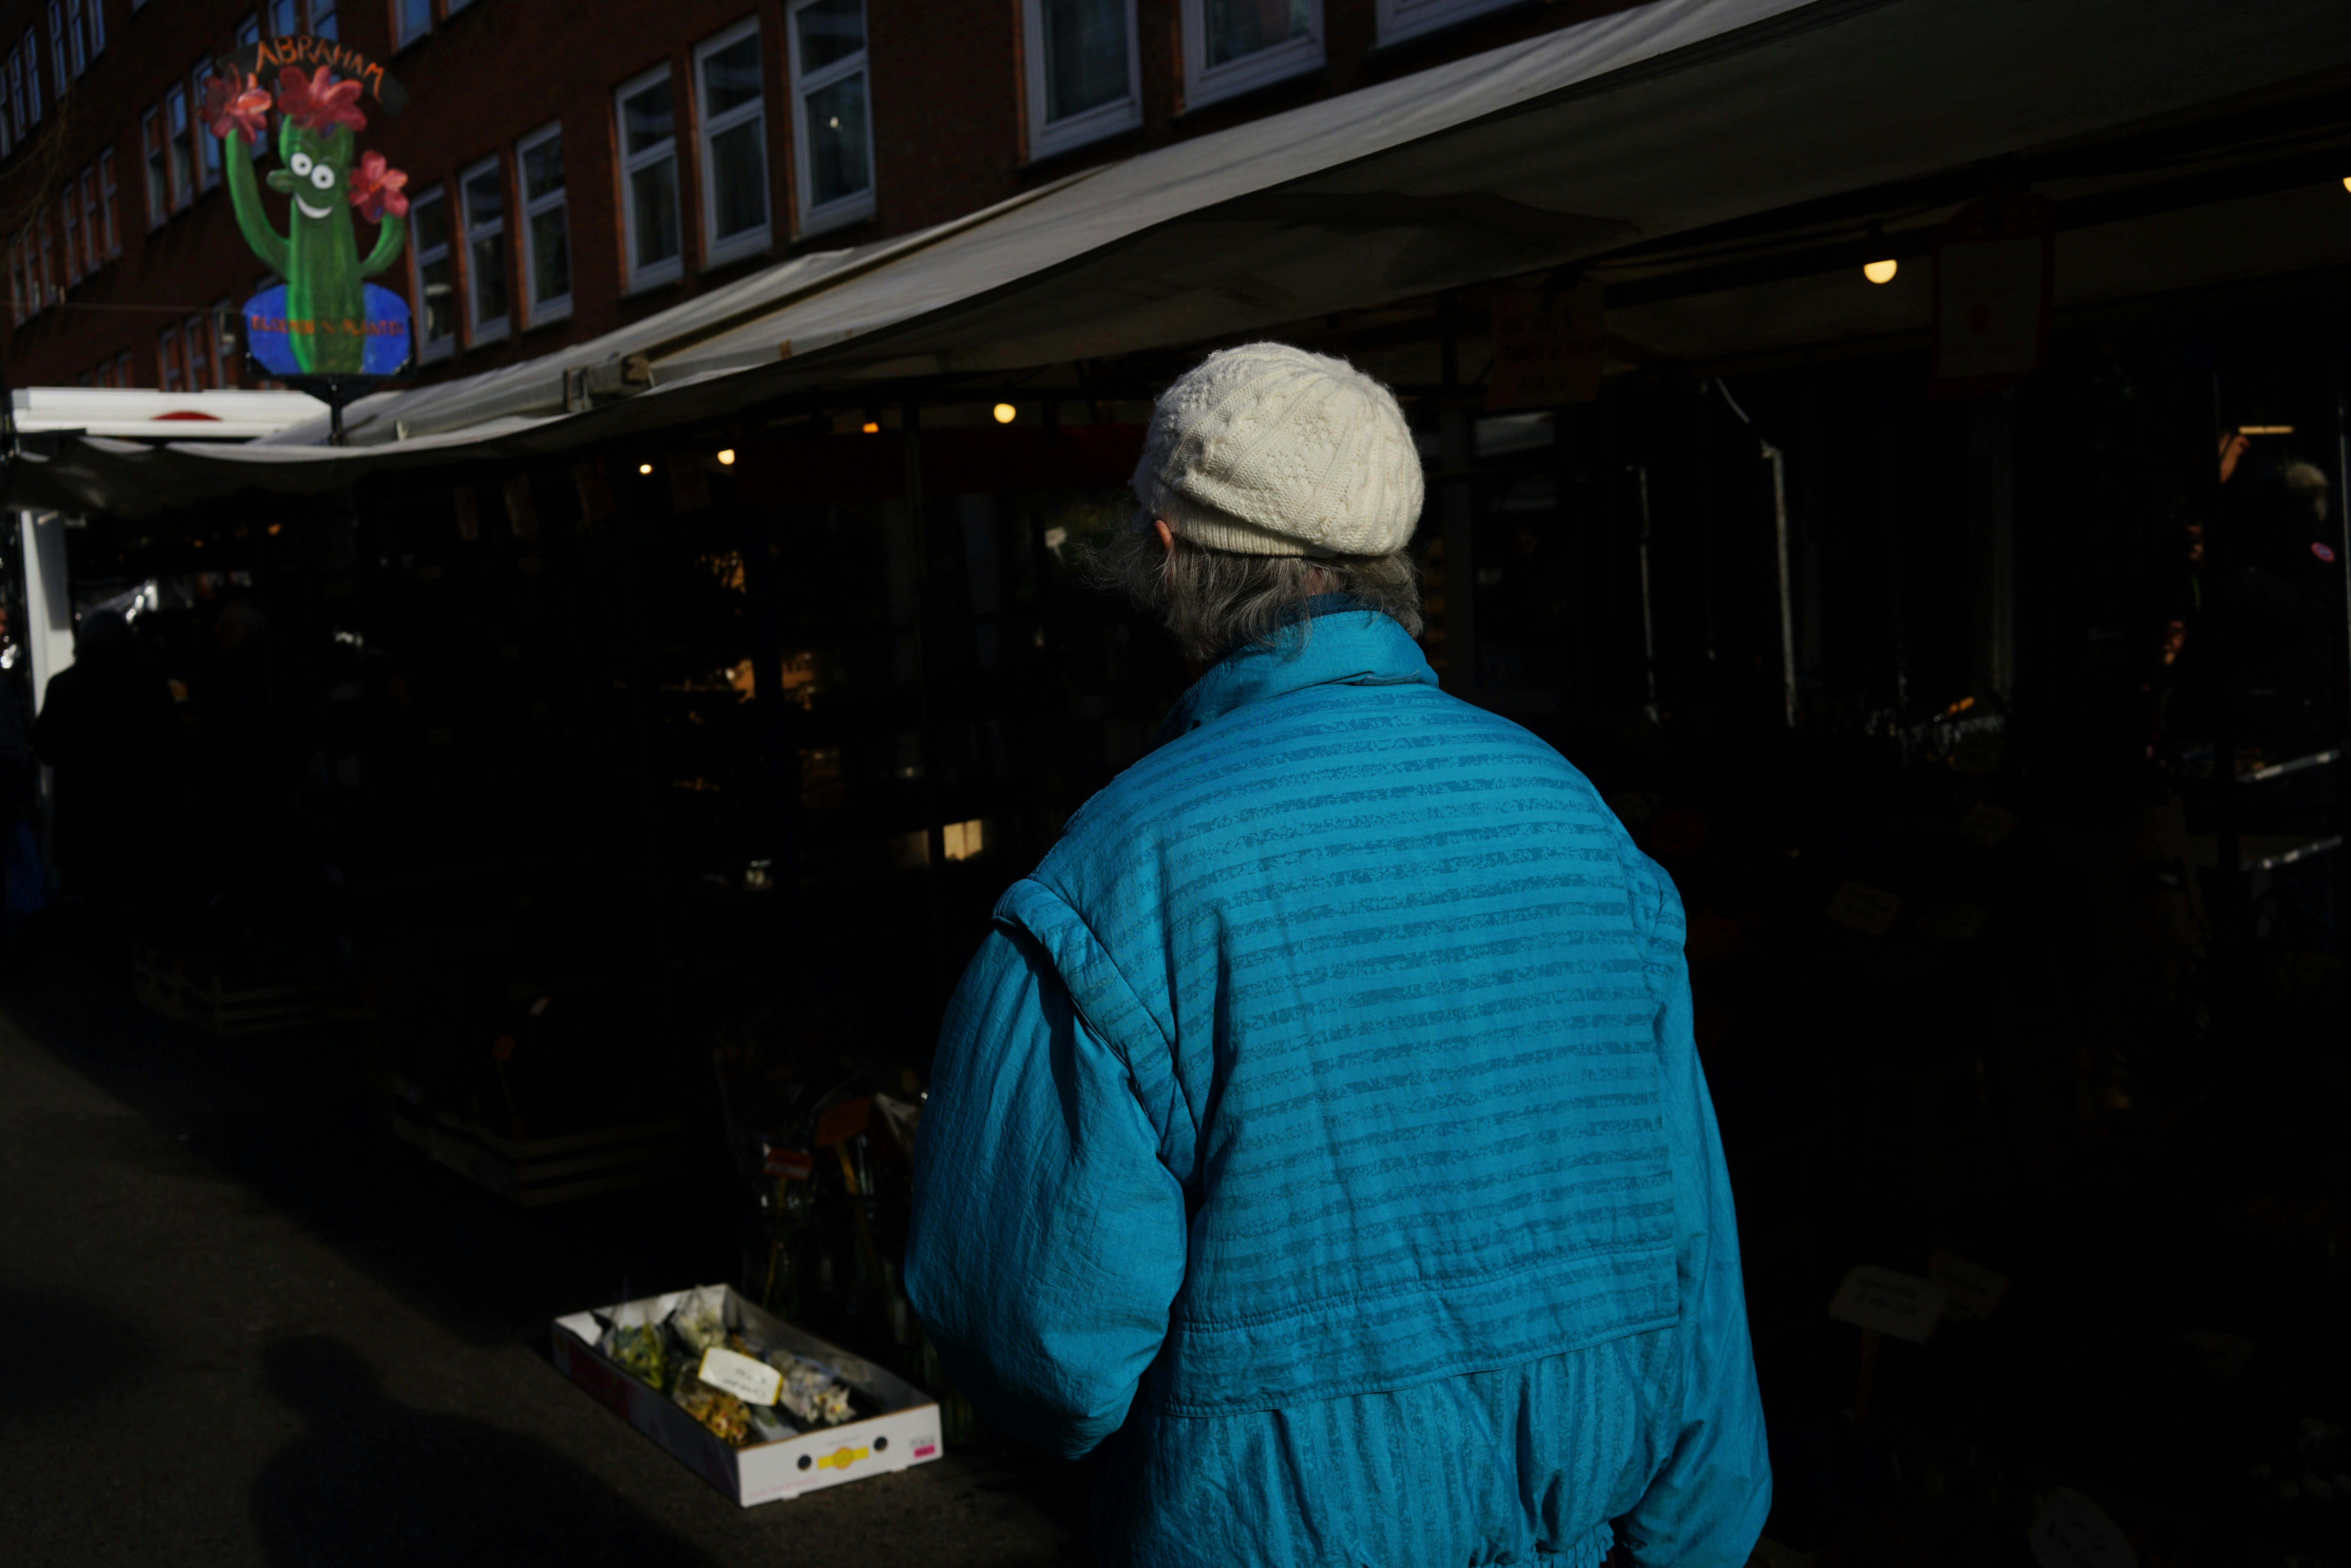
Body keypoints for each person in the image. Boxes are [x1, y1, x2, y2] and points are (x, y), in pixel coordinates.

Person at [906, 343, 1769, 1568]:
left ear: (1165, 555)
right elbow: (1693, 1268)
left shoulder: (1117, 873)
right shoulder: (1580, 825)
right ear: (1388, 564)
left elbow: (1042, 1350)